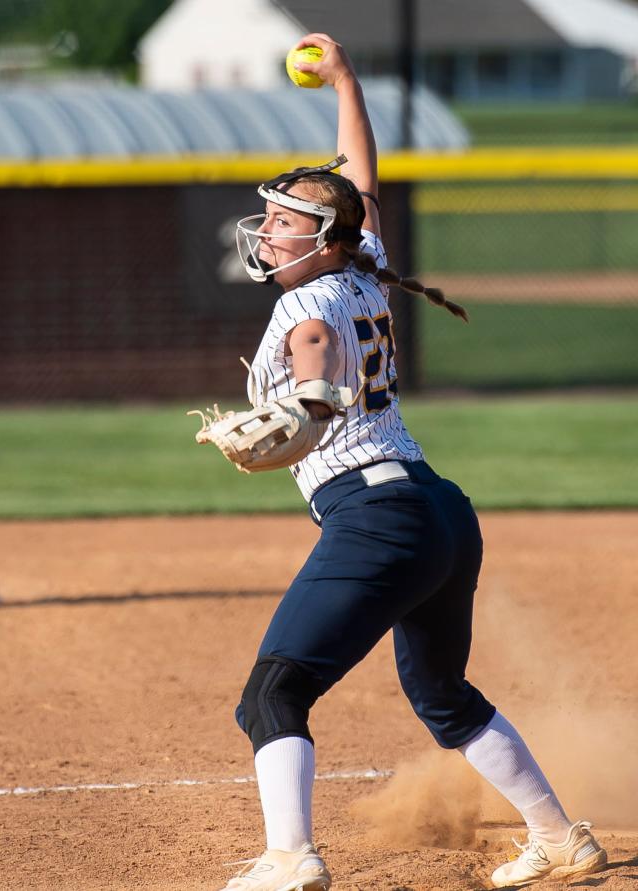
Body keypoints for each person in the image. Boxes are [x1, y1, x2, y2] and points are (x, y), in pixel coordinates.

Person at [213, 34, 606, 891]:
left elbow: (316, 357)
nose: (265, 229)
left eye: (282, 220)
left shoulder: (308, 305)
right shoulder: (363, 264)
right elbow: (361, 179)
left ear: (318, 239)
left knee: (271, 695)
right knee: (442, 694)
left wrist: (308, 400)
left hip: (375, 519)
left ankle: (291, 857)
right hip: (439, 512)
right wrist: (346, 78)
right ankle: (560, 838)